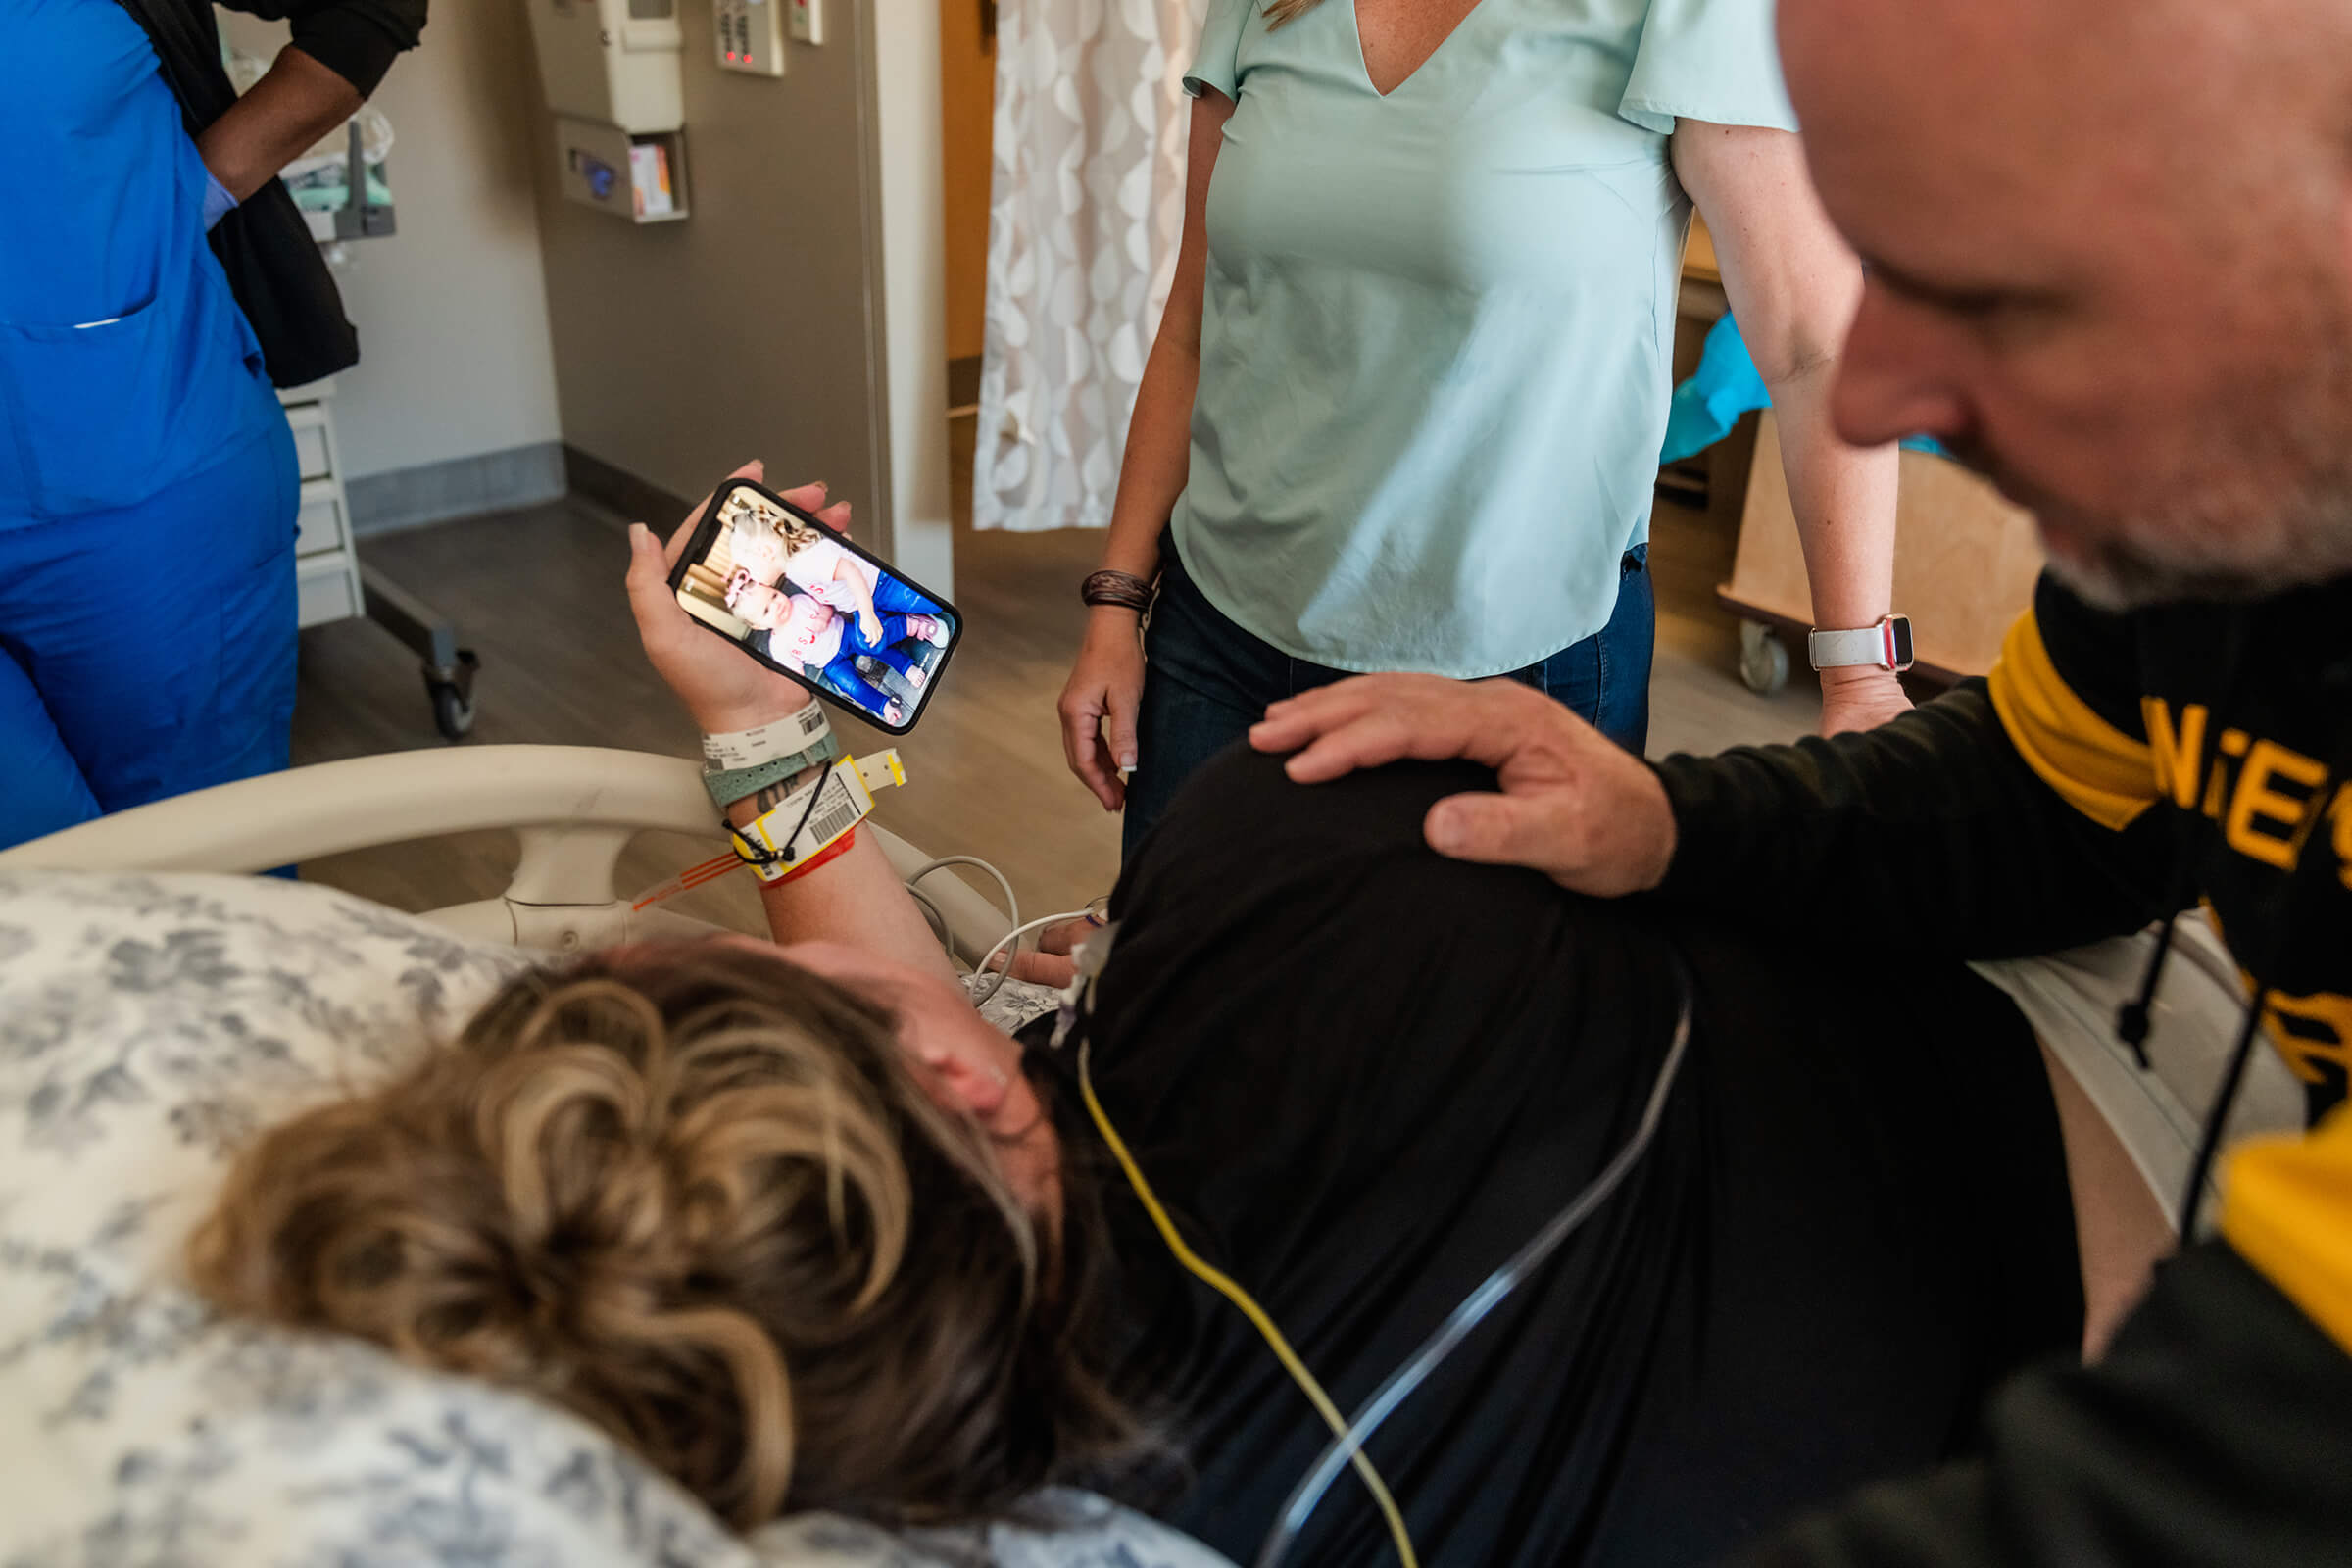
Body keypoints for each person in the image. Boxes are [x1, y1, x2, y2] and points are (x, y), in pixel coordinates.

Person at [185, 466, 2081, 1566]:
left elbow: (976, 1104)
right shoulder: (1288, 865)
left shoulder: (1062, 1445)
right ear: (959, 1076)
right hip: (2098, 1166)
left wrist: (752, 727)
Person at [1246, 0, 2352, 1556]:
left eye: (1998, 290)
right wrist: (1669, 818)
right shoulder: (2214, 529)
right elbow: (2032, 795)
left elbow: (2228, 1487)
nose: (1880, 394)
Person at [1058, 0, 1913, 856]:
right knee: (1183, 985)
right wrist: (1117, 598)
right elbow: (1193, 319)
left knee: (1479, 991)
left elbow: (1815, 347)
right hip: (1218, 640)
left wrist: (1859, 676)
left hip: (1517, 671)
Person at [0, 0, 422, 853]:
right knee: (29, 902)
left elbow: (367, 9)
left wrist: (199, 188)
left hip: (140, 490)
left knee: (194, 871)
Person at [725, 567, 949, 725]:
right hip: (830, 663)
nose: (777, 605)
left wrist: (823, 618)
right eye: (766, 611)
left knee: (872, 643)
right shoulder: (778, 646)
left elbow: (826, 606)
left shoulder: (798, 602)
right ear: (757, 626)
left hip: (844, 634)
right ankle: (883, 706)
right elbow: (795, 671)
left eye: (774, 595)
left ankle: (906, 666)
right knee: (849, 686)